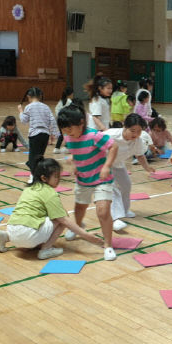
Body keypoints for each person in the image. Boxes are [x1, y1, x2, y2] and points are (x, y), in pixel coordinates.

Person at [0, 158, 104, 259]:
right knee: (61, 217)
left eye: (59, 176)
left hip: (12, 229)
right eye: (56, 177)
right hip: (28, 236)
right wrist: (87, 235)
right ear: (44, 178)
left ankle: (5, 236)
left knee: (47, 216)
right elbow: (64, 220)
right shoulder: (50, 193)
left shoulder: (29, 188)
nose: (58, 179)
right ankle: (46, 249)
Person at [57, 104, 118, 261]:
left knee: (103, 211)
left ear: (81, 123)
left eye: (69, 129)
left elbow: (113, 146)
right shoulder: (68, 137)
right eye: (64, 130)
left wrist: (107, 166)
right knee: (79, 208)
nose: (67, 133)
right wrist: (75, 163)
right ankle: (78, 228)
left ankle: (108, 245)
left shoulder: (94, 136)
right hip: (83, 179)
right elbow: (75, 152)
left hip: (102, 179)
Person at [105, 113, 155, 231]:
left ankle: (124, 210)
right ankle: (115, 219)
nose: (136, 134)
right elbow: (93, 143)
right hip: (102, 164)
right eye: (133, 131)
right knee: (113, 189)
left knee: (126, 185)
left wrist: (147, 168)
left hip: (117, 164)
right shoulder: (110, 135)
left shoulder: (138, 140)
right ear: (124, 127)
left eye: (139, 131)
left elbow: (140, 155)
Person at [18, 87, 59, 175]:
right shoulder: (46, 107)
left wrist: (21, 111)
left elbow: (24, 120)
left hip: (35, 135)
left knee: (33, 158)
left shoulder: (29, 107)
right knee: (40, 156)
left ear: (28, 96)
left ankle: (34, 177)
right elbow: (52, 121)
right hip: (45, 135)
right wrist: (54, 134)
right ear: (40, 96)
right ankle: (38, 173)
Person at [53, 86, 74, 153]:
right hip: (67, 121)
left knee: (62, 134)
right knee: (69, 133)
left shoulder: (60, 101)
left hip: (60, 121)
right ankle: (67, 147)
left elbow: (56, 110)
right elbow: (71, 111)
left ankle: (57, 148)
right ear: (70, 94)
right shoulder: (69, 101)